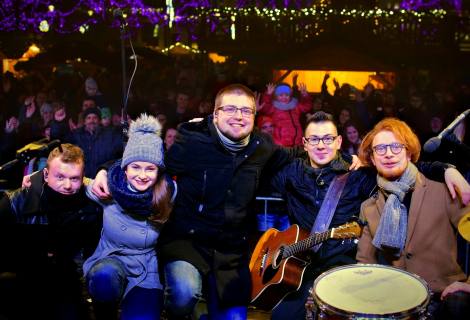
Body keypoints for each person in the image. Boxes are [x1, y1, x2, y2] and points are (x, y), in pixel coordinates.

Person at [91, 84, 330, 320]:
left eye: (246, 111)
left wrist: (349, 158)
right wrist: (105, 170)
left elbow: (295, 153)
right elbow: (151, 162)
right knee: (183, 295)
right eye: (230, 109)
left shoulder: (262, 147)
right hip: (187, 243)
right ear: (215, 115)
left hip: (231, 253)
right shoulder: (192, 142)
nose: (238, 116)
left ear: (255, 116)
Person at [266, 112, 470, 320]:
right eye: (314, 139)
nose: (321, 145)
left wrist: (445, 168)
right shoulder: (292, 174)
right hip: (302, 269)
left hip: (346, 269)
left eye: (328, 139)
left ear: (339, 142)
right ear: (304, 143)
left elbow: (404, 169)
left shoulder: (360, 177)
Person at [356, 118, 470, 320]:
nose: (389, 154)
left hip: (443, 298)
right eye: (380, 149)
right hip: (397, 302)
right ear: (373, 159)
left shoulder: (445, 190)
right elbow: (365, 263)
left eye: (396, 147)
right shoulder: (368, 208)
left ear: (408, 153)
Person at [83, 114, 176, 320]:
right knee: (104, 277)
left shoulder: (167, 193)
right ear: (124, 168)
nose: (142, 175)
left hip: (145, 269)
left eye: (150, 168)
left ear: (158, 171)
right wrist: (36, 180)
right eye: (135, 167)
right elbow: (74, 182)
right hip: (111, 258)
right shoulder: (109, 188)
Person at [0, 143, 103, 320]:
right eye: (60, 177)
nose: (68, 185)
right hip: (20, 279)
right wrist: (33, 255)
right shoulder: (13, 203)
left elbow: (93, 256)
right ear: (46, 175)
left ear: (83, 178)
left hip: (62, 281)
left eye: (74, 178)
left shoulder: (90, 209)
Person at [51, 107, 123, 178]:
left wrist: (128, 127)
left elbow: (126, 145)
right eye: (88, 118)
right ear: (84, 122)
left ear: (99, 121)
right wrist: (57, 122)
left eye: (95, 117)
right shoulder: (76, 135)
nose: (91, 120)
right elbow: (57, 145)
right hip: (81, 182)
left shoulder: (110, 136)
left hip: (103, 181)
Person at [258, 82, 312, 147]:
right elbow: (265, 107)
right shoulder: (274, 108)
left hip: (297, 142)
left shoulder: (295, 106)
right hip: (281, 144)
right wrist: (268, 94)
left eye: (287, 95)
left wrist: (305, 95)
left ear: (290, 95)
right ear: (276, 96)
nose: (284, 97)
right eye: (281, 95)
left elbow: (307, 106)